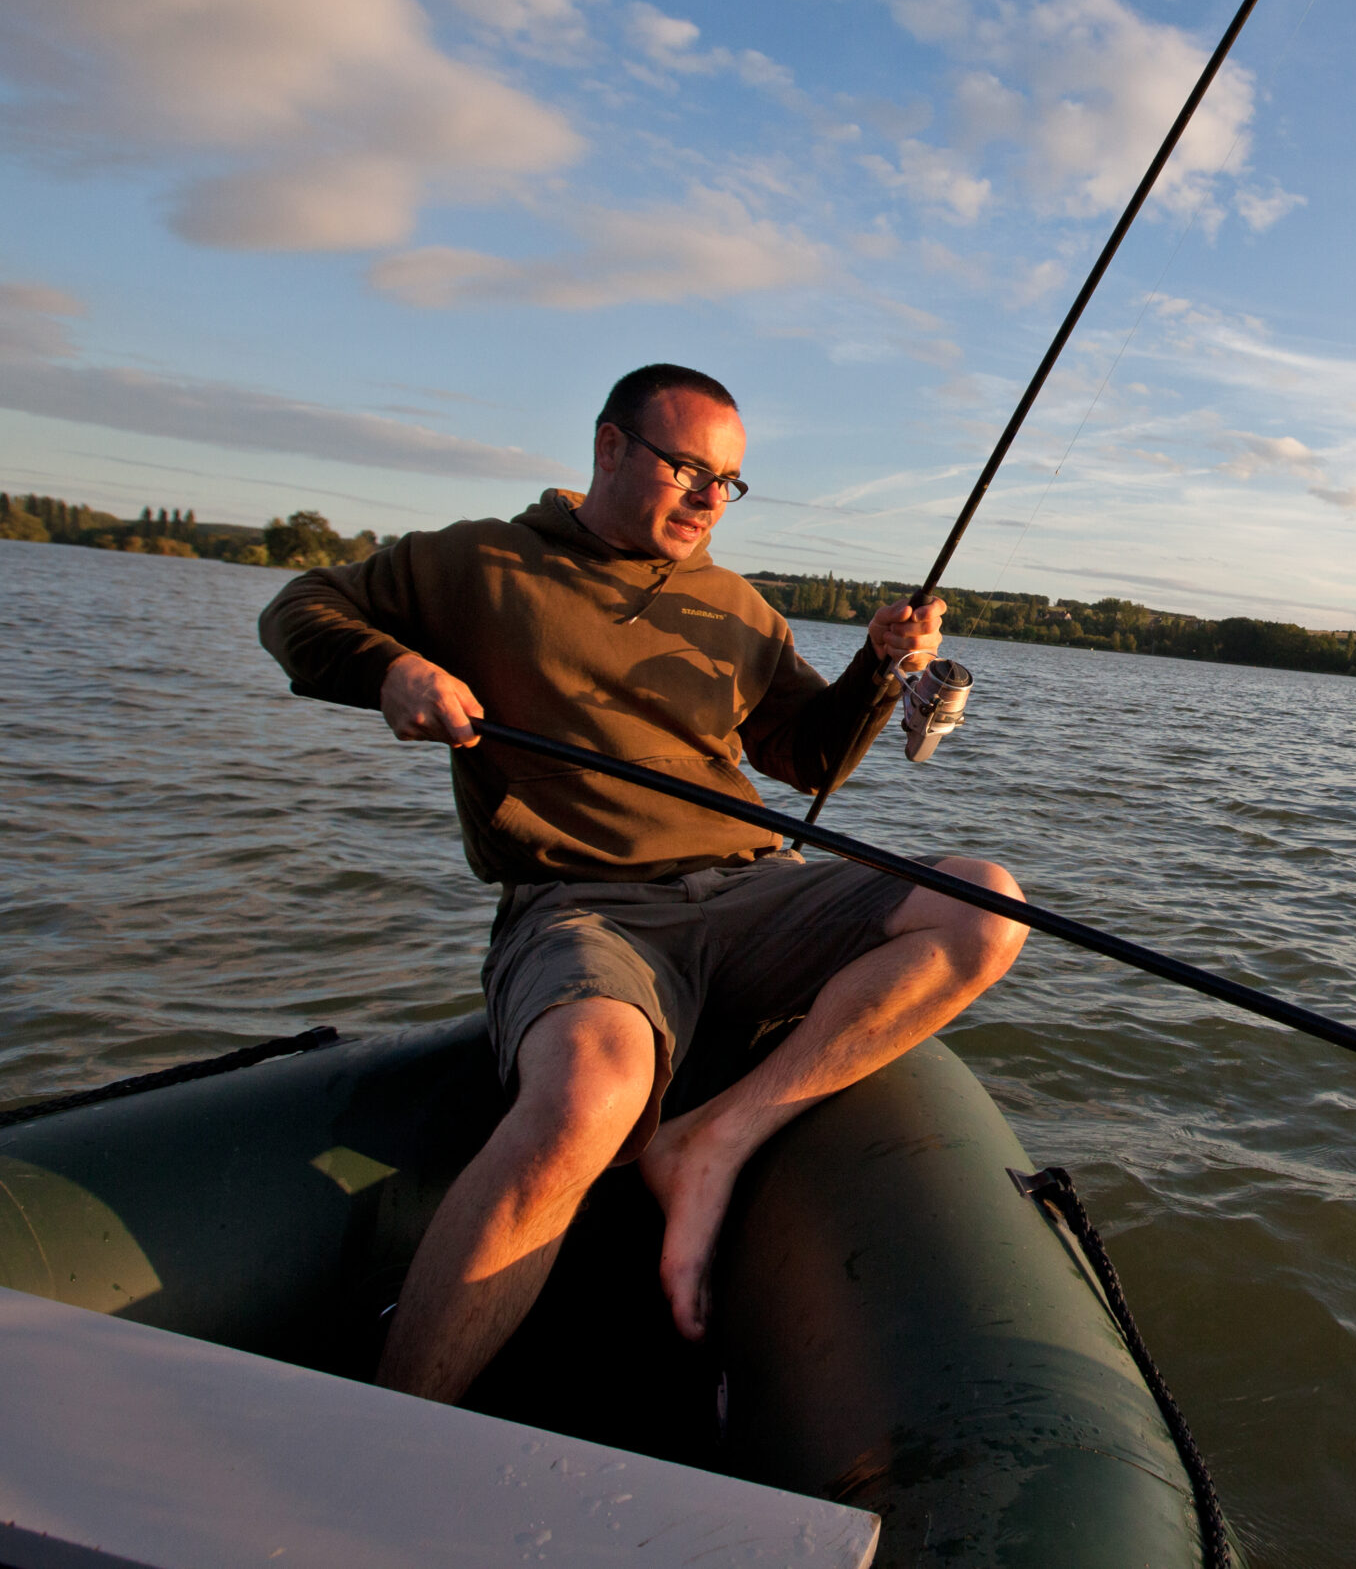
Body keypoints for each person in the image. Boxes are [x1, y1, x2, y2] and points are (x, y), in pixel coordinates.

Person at [260, 363, 1027, 1404]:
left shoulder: (737, 606)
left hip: (750, 886)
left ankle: (717, 1135)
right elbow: (300, 607)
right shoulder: (479, 560)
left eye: (730, 483)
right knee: (589, 1091)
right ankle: (395, 1427)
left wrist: (874, 671)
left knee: (985, 902)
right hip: (581, 906)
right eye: (688, 470)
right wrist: (390, 668)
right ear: (609, 449)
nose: (711, 500)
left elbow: (804, 759)